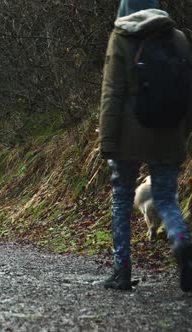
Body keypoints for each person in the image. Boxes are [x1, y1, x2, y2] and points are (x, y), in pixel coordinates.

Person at [98, 0, 192, 291]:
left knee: (123, 199)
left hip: (129, 134)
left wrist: (107, 141)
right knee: (166, 198)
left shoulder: (122, 35)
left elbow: (112, 93)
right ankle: (180, 241)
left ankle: (122, 269)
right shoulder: (177, 37)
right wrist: (182, 133)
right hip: (169, 131)